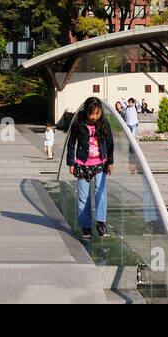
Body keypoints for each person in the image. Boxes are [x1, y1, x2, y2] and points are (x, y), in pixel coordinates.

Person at [66, 96, 114, 239]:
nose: (94, 117)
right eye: (91, 113)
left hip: (101, 162)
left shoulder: (104, 122)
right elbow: (71, 143)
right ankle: (86, 226)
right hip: (82, 163)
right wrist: (71, 163)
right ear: (86, 111)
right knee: (83, 196)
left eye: (97, 114)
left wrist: (110, 162)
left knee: (101, 192)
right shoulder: (78, 123)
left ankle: (101, 222)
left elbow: (110, 143)